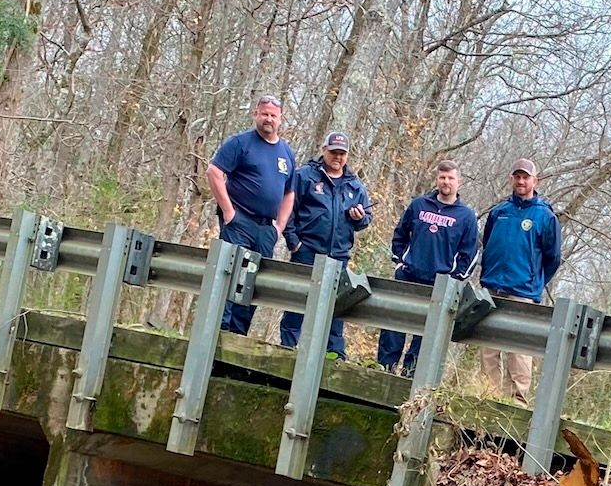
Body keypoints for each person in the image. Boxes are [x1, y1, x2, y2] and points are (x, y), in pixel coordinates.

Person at [205, 94, 297, 337]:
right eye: (264, 113)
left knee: (251, 284)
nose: (268, 119)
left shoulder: (286, 153)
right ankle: (217, 334)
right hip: (239, 222)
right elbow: (214, 172)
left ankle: (237, 338)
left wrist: (279, 226)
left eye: (273, 115)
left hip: (266, 229)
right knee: (229, 276)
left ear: (280, 119)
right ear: (255, 114)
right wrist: (228, 211)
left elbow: (289, 193)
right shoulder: (241, 143)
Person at [378, 160, 481, 373]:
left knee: (426, 332)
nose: (446, 182)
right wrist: (399, 262)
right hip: (409, 275)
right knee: (394, 323)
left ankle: (411, 372)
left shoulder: (466, 216)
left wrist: (456, 278)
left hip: (440, 282)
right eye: (442, 177)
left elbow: (470, 252)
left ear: (458, 182)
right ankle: (385, 367)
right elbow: (400, 234)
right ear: (437, 179)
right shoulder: (419, 205)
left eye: (450, 178)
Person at [280, 131, 373, 358]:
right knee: (298, 304)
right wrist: (294, 243)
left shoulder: (354, 186)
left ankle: (334, 357)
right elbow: (287, 209)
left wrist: (359, 217)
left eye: (342, 154)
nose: (337, 157)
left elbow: (366, 220)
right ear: (324, 150)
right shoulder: (305, 177)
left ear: (347, 156)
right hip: (307, 252)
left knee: (336, 309)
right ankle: (286, 350)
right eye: (333, 152)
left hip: (338, 256)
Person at [477, 159, 563, 403]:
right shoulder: (499, 212)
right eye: (517, 177)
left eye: (526, 177)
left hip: (523, 291)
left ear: (535, 180)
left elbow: (553, 257)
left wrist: (535, 282)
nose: (521, 181)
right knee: (488, 345)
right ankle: (488, 395)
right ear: (512, 179)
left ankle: (517, 399)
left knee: (519, 348)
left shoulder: (545, 216)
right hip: (492, 286)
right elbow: (487, 243)